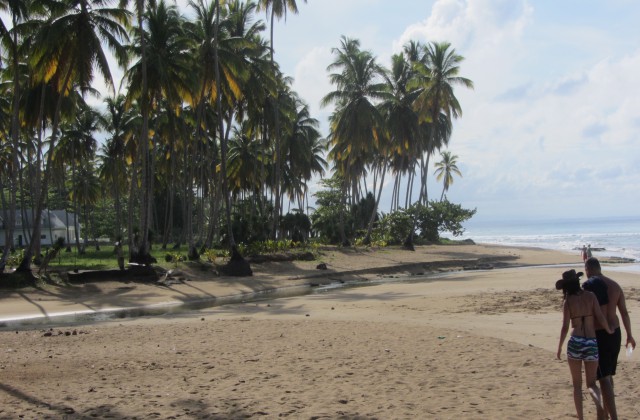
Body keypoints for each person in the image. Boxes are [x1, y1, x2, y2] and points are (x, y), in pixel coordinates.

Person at [583, 257, 636, 420]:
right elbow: (624, 313)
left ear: (588, 269)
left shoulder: (589, 285)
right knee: (608, 375)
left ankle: (612, 417)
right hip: (616, 333)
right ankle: (605, 415)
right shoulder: (615, 286)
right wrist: (629, 335)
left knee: (603, 377)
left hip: (599, 334)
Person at [556, 269, 612, 420]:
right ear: (578, 281)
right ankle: (599, 405)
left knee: (576, 385)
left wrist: (560, 347)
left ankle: (581, 418)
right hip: (590, 341)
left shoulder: (568, 301)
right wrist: (609, 329)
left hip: (575, 341)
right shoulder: (590, 296)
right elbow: (600, 317)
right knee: (592, 384)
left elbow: (565, 327)